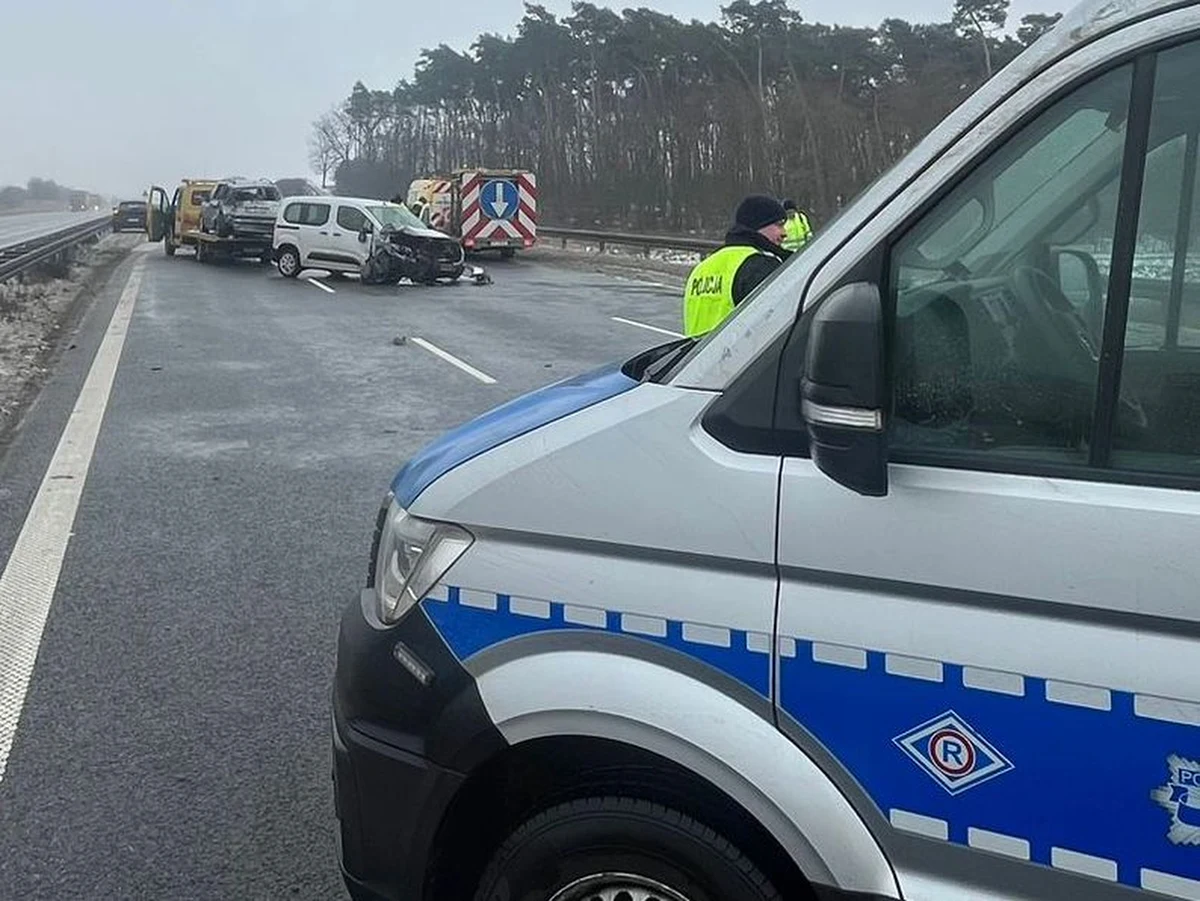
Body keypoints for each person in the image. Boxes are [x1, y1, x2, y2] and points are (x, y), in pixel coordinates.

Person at [682, 195, 788, 338]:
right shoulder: (759, 266)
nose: (784, 233)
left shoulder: (701, 268)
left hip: (699, 357)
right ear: (758, 225)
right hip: (741, 358)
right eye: (779, 225)